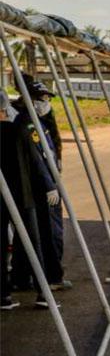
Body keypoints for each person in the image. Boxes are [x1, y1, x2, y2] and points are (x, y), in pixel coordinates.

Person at [10, 81, 69, 304]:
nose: (47, 103)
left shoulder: (38, 121)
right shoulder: (27, 123)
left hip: (40, 186)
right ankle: (50, 277)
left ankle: (25, 276)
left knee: (37, 233)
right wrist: (49, 185)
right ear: (30, 99)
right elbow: (37, 158)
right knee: (47, 233)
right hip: (39, 188)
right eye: (43, 98)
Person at [0, 91, 54, 309]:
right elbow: (35, 159)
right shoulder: (19, 126)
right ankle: (42, 294)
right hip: (22, 195)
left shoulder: (19, 125)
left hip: (12, 196)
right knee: (33, 243)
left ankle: (5, 296)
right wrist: (49, 185)